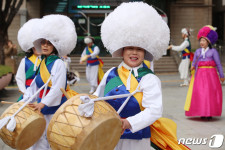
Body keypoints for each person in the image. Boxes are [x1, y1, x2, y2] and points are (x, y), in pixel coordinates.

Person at [94, 2, 169, 150]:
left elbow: (154, 110)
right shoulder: (111, 73)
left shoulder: (149, 78)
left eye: (139, 49)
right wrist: (86, 102)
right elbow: (97, 98)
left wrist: (129, 123)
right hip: (109, 134)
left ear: (145, 53)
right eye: (130, 48)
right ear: (122, 50)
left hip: (137, 138)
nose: (134, 53)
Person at [22, 14, 77, 150]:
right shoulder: (43, 61)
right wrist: (26, 99)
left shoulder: (58, 63)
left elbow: (57, 88)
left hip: (54, 107)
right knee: (38, 136)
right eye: (43, 42)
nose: (45, 46)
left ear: (55, 45)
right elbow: (35, 84)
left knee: (52, 137)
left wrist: (43, 103)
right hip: (42, 104)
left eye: (49, 43)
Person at [184, 25, 224, 120]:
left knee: (209, 94)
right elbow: (194, 63)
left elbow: (218, 64)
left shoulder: (213, 52)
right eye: (201, 40)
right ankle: (202, 112)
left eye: (204, 40)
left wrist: (221, 75)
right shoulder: (198, 51)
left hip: (211, 76)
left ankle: (209, 113)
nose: (201, 42)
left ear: (208, 42)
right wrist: (192, 70)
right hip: (199, 76)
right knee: (200, 93)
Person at [16, 19, 42, 101]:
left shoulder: (47, 61)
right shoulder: (25, 61)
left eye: (39, 46)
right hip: (28, 92)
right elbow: (19, 78)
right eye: (35, 47)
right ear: (31, 48)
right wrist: (25, 92)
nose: (37, 49)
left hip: (43, 93)